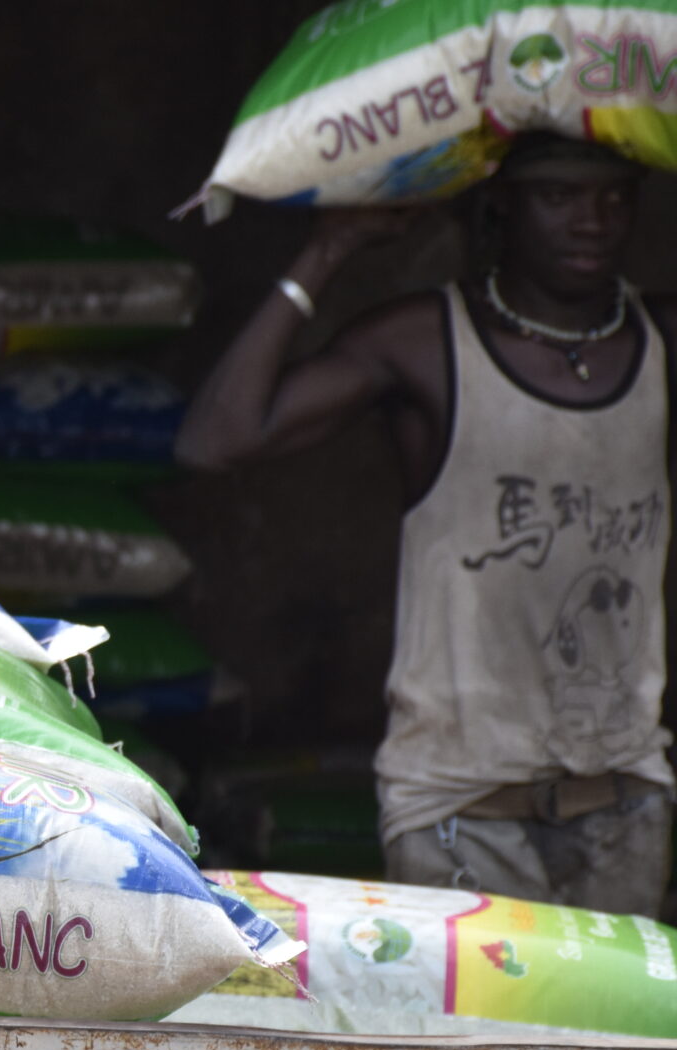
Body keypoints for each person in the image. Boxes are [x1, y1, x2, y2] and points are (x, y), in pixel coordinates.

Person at [176, 135, 673, 916]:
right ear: (499, 206)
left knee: (617, 1043)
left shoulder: (659, 340)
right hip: (458, 804)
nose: (593, 221)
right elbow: (217, 437)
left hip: (625, 796)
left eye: (615, 198)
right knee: (483, 1040)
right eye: (560, 197)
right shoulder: (429, 344)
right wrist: (328, 250)